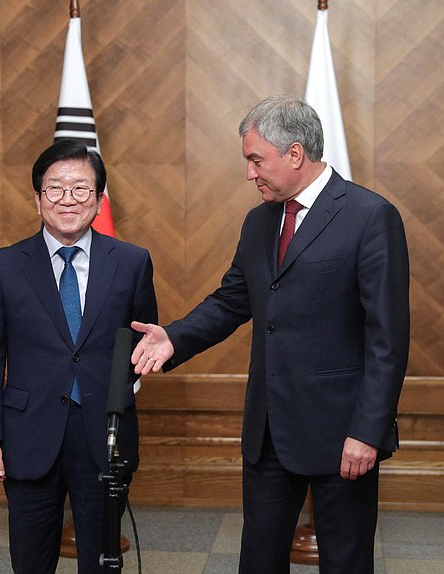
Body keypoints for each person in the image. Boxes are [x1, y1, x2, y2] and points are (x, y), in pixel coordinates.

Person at [131, 95, 409, 574]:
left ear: (295, 154)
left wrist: (367, 431)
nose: (249, 173)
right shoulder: (260, 221)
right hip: (269, 429)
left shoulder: (369, 216)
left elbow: (388, 338)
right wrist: (174, 339)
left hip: (341, 431)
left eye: (256, 159)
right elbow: (232, 300)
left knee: (345, 562)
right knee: (258, 560)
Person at [0, 139, 158, 574]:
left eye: (80, 189)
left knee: (101, 560)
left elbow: (142, 341)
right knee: (31, 561)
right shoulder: (3, 266)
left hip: (103, 434)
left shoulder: (131, 262)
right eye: (55, 189)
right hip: (28, 434)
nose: (67, 200)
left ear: (98, 199)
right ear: (37, 199)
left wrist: (119, 391)